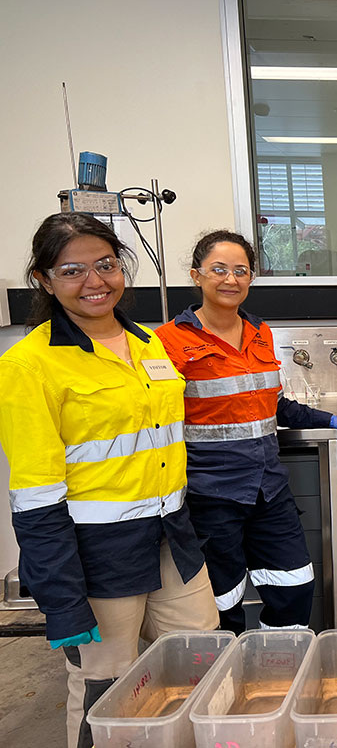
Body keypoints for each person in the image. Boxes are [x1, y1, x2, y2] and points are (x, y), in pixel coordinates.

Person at [0, 213, 218, 748]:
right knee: (108, 687)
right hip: (97, 554)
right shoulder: (29, 365)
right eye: (72, 270)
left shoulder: (149, 345)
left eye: (106, 265)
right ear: (43, 280)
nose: (95, 282)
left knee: (203, 664)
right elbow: (34, 497)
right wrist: (62, 598)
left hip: (173, 539)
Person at [155, 230, 337, 633]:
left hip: (268, 488)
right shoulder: (168, 342)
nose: (230, 279)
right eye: (219, 269)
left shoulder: (259, 333)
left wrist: (328, 419)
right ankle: (228, 679)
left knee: (295, 585)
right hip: (210, 494)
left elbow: (272, 404)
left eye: (240, 271)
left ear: (251, 278)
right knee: (221, 600)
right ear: (196, 275)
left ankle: (278, 668)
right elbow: (158, 422)